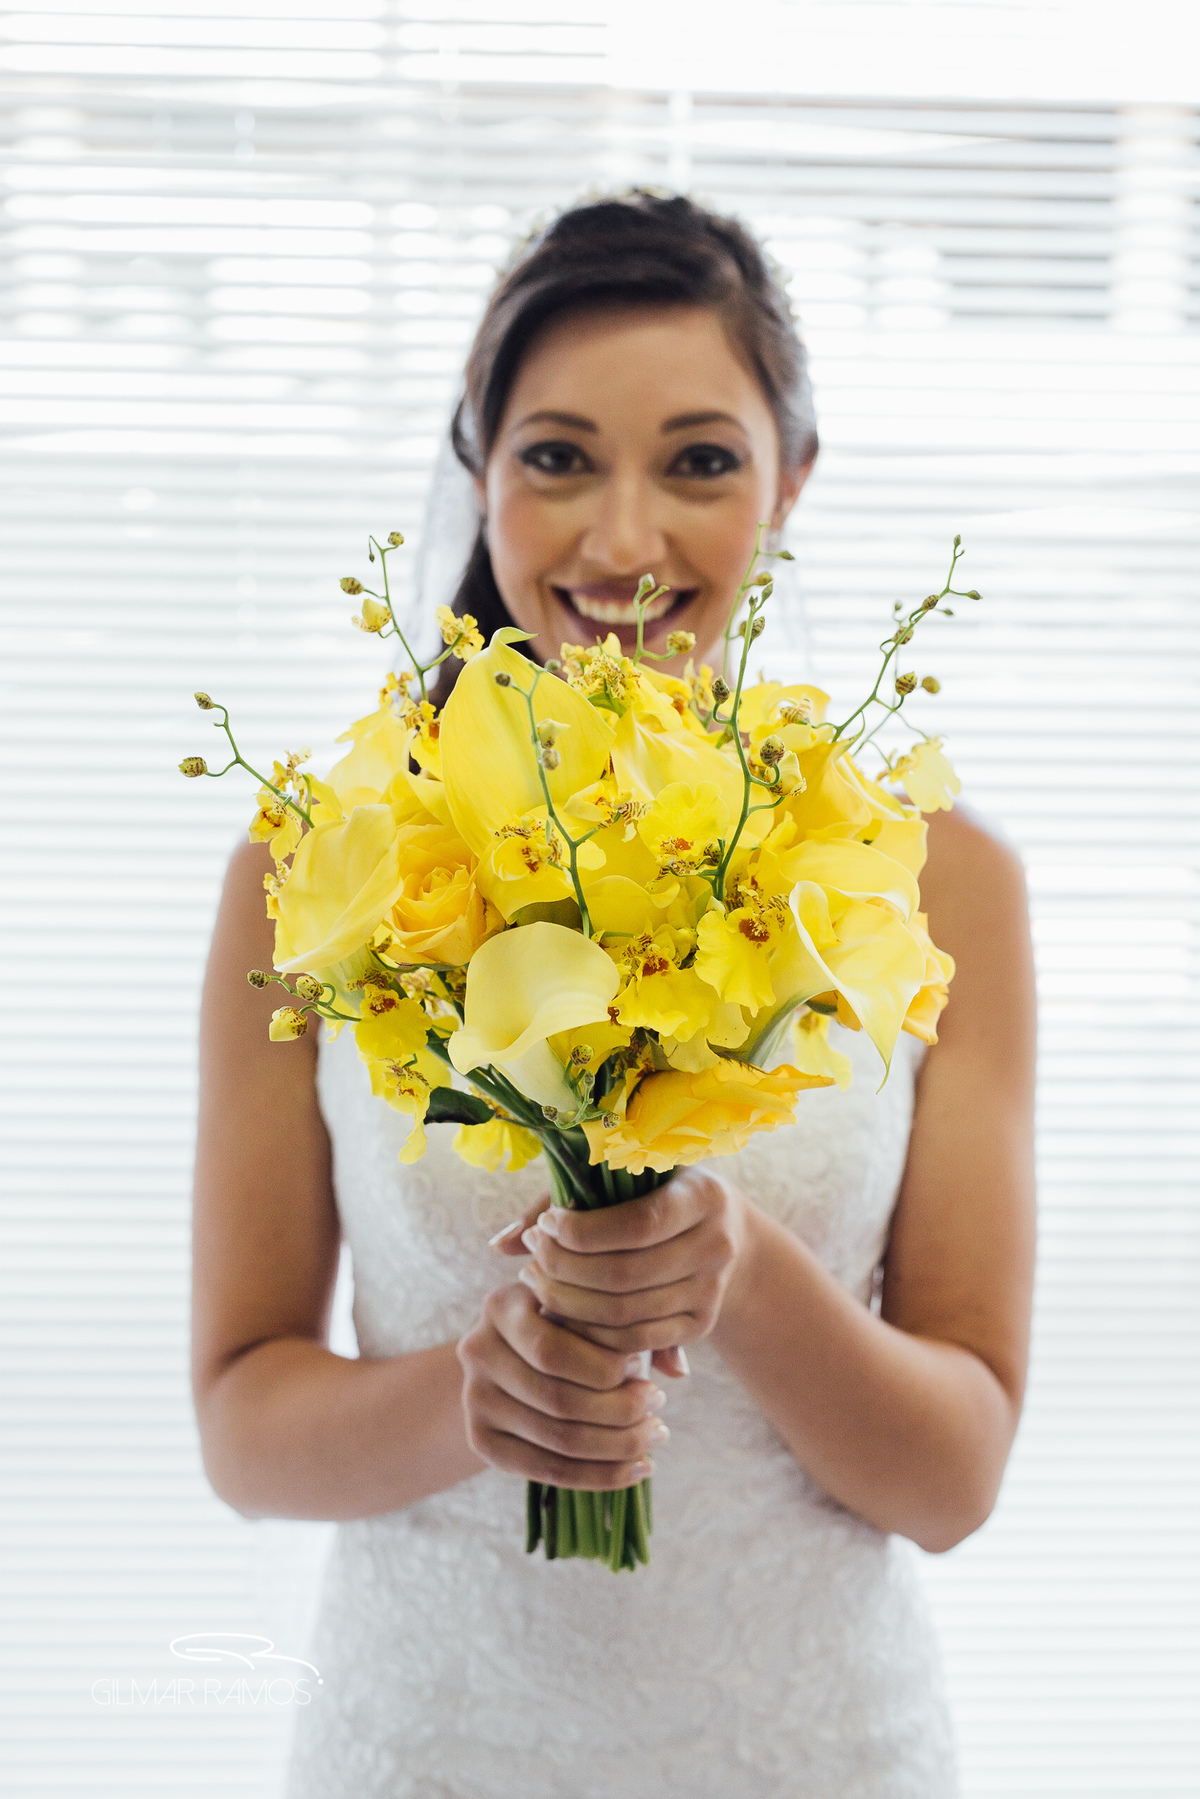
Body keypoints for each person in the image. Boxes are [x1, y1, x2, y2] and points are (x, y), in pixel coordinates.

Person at [191, 191, 1036, 1798]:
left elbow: (955, 1480)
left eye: (702, 461)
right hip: (425, 1741)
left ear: (792, 481)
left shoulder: (931, 875)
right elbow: (242, 1424)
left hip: (821, 1749)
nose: (625, 542)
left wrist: (743, 1275)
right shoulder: (332, 861)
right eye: (558, 457)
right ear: (482, 477)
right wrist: (479, 1398)